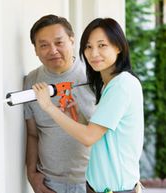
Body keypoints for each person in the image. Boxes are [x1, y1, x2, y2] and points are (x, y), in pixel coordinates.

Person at [32, 18, 144, 193]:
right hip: (98, 188)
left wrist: (48, 106)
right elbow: (99, 133)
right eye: (88, 47)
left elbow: (89, 137)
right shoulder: (109, 84)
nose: (93, 54)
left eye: (102, 45)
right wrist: (74, 111)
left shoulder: (121, 85)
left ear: (118, 47)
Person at [24, 14, 96, 193]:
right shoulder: (31, 81)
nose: (52, 50)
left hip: (92, 181)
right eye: (44, 45)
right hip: (50, 184)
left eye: (59, 42)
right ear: (35, 50)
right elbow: (33, 134)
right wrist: (32, 175)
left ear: (72, 41)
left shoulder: (94, 77)